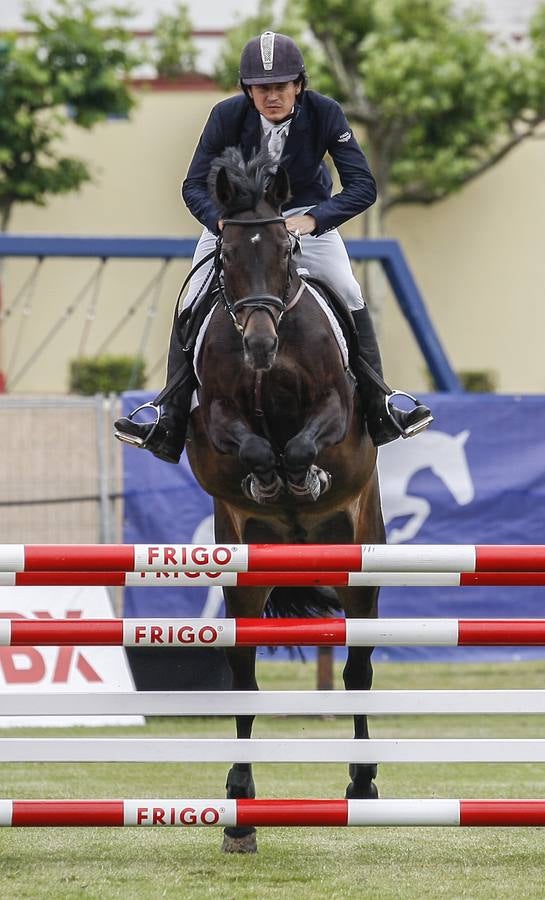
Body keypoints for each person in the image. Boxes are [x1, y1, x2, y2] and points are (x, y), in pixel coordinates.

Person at [115, 31, 432, 464]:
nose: (272, 96)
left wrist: (314, 219)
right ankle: (168, 417)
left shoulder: (325, 113)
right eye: (262, 88)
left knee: (348, 288)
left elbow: (363, 187)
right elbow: (193, 185)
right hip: (237, 221)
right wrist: (220, 221)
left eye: (281, 87)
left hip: (304, 217)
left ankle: (380, 405)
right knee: (190, 299)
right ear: (248, 90)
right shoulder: (226, 115)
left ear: (298, 85)